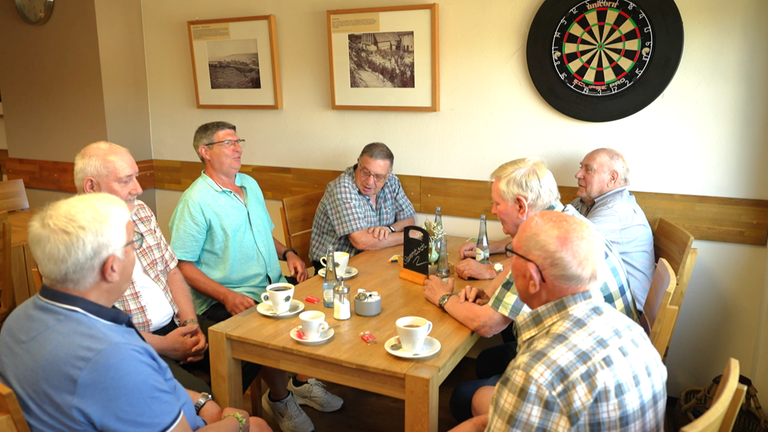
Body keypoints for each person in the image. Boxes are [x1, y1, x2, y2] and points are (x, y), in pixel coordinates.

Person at [0, 193, 270, 432]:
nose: (137, 251)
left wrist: (201, 402)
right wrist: (239, 422)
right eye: (133, 244)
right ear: (112, 267)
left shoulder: (17, 320)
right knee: (257, 425)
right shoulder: (114, 357)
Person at [421, 157, 639, 422]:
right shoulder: (568, 218)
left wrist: (443, 297)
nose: (492, 210)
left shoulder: (540, 245)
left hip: (585, 384)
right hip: (615, 360)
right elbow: (513, 268)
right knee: (486, 361)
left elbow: (488, 325)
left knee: (462, 397)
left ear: (522, 206)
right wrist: (491, 294)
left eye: (498, 203)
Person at [170, 121, 342, 432]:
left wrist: (288, 253)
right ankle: (279, 398)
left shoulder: (249, 184)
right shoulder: (195, 201)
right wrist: (226, 296)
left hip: (269, 285)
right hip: (224, 297)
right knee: (271, 332)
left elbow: (263, 234)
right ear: (204, 152)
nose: (238, 149)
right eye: (228, 144)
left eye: (238, 142)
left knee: (319, 311)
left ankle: (299, 384)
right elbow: (183, 264)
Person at [449, 211, 667, 432]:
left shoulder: (534, 372)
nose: (506, 268)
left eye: (512, 259)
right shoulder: (635, 334)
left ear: (533, 280)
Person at [74, 141, 258, 395]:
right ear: (91, 187)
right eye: (125, 181)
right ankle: (209, 410)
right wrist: (166, 346)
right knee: (200, 395)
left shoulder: (140, 213)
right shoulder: (74, 239)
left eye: (136, 177)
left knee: (253, 351)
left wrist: (191, 324)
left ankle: (216, 410)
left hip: (175, 323)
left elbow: (172, 269)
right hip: (133, 345)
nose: (137, 189)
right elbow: (100, 331)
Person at [572, 147, 655, 313]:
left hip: (626, 317)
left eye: (588, 169)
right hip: (603, 304)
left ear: (612, 178)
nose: (578, 174)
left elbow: (559, 244)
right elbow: (547, 229)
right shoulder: (586, 202)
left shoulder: (616, 212)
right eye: (581, 167)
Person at [308, 142, 416, 270]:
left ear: (388, 173)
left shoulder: (392, 181)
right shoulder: (342, 188)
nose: (370, 182)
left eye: (378, 176)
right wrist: (408, 237)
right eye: (365, 172)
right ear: (358, 162)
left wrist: (390, 229)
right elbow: (361, 241)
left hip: (374, 259)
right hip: (335, 269)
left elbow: (409, 220)